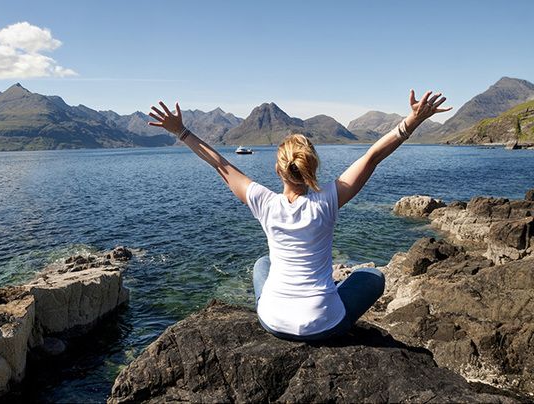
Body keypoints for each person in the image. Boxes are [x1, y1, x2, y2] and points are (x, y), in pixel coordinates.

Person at [148, 90, 451, 341]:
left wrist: (181, 131)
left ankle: (285, 304)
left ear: (278, 169)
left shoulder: (263, 202)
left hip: (273, 322)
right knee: (372, 276)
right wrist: (412, 120)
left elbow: (221, 165)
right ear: (312, 167)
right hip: (323, 325)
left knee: (261, 264)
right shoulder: (328, 200)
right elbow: (372, 156)